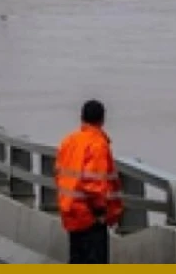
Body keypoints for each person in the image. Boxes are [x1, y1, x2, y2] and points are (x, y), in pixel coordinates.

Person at [55, 100, 124, 264]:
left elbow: (59, 174)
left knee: (76, 259)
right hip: (90, 217)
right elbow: (94, 184)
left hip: (71, 213)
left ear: (82, 118)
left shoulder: (69, 141)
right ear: (102, 120)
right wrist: (101, 212)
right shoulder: (97, 145)